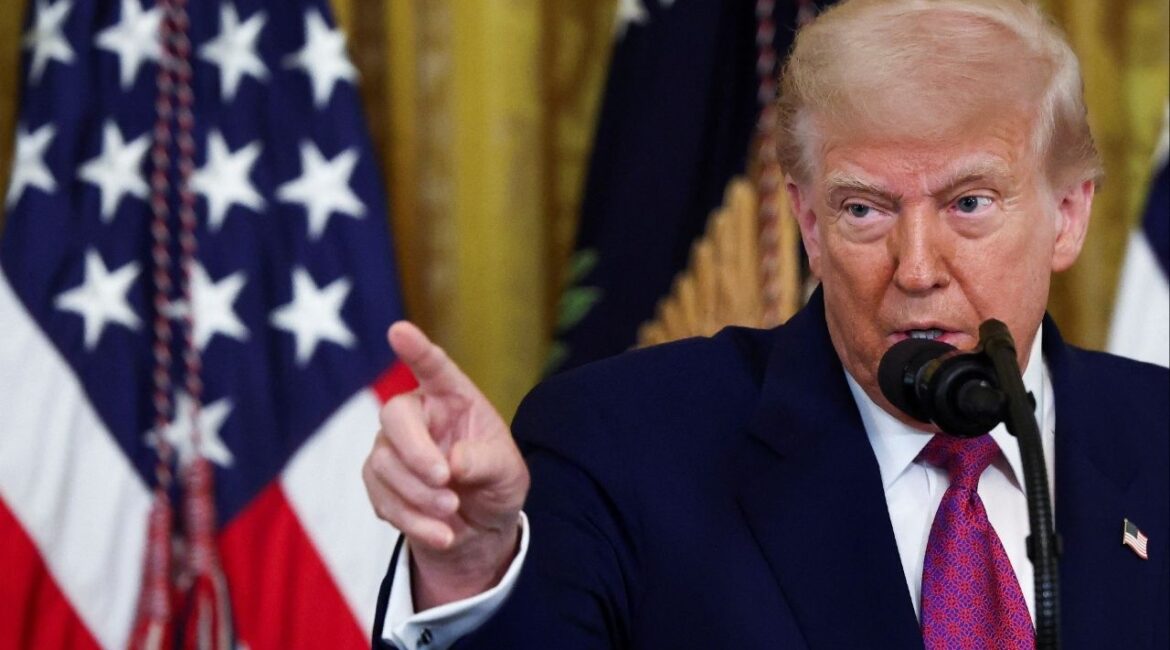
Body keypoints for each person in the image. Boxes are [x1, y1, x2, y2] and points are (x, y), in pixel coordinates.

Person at [362, 0, 1169, 648]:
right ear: (809, 226)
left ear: (1068, 216)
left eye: (968, 204)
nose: (917, 267)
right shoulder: (620, 443)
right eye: (863, 208)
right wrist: (471, 570)